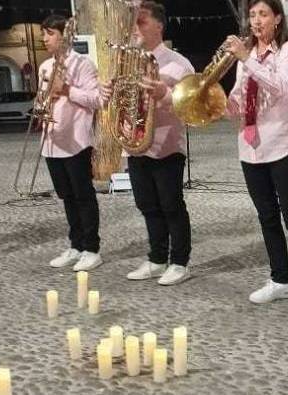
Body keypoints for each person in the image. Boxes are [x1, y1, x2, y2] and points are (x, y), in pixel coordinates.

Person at [224, 0, 288, 312]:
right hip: (250, 147)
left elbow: (282, 88)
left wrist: (246, 60)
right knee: (266, 217)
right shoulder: (247, 57)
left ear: (277, 18)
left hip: (282, 146)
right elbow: (242, 94)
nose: (256, 20)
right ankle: (280, 279)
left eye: (263, 14)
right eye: (252, 15)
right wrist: (222, 101)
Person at [100, 1, 195, 285]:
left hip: (166, 146)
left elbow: (188, 104)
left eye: (141, 22)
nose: (135, 28)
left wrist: (164, 93)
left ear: (158, 26)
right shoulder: (128, 59)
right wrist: (108, 92)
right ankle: (156, 258)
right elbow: (121, 96)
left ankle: (180, 262)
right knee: (147, 205)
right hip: (135, 144)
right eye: (134, 22)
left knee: (171, 206)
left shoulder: (178, 63)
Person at [36, 14, 105, 272]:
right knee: (66, 196)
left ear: (64, 36)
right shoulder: (44, 67)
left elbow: (97, 99)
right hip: (51, 142)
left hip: (76, 140)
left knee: (83, 195)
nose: (45, 38)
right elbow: (43, 99)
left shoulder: (83, 65)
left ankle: (91, 249)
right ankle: (75, 245)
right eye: (44, 33)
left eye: (50, 33)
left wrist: (66, 90)